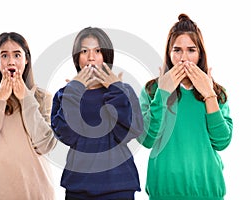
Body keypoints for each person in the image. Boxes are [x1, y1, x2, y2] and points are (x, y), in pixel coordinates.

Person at [137, 13, 233, 200]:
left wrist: (209, 94)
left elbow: (222, 142)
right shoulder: (151, 90)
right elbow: (147, 139)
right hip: (164, 191)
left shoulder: (216, 92)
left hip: (207, 191)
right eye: (177, 50)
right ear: (169, 53)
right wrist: (162, 93)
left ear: (200, 54)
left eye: (191, 50)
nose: (184, 58)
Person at [51, 27, 143, 200]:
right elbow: (67, 135)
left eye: (98, 51)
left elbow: (128, 133)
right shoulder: (66, 94)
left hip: (119, 187)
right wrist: (73, 92)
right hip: (78, 187)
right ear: (77, 57)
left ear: (106, 56)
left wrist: (116, 90)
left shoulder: (123, 90)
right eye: (84, 51)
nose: (91, 57)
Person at [0, 32, 57, 200]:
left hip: (39, 194)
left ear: (26, 59)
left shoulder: (44, 98)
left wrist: (26, 98)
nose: (11, 61)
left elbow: (46, 145)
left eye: (17, 55)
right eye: (4, 55)